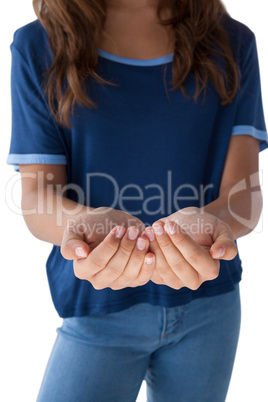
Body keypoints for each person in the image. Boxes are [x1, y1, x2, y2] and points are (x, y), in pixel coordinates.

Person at [6, 0, 268, 401]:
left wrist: (213, 224)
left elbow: (243, 196)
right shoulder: (39, 45)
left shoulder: (233, 43)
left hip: (210, 308)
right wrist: (81, 224)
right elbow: (37, 195)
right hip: (95, 308)